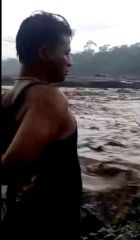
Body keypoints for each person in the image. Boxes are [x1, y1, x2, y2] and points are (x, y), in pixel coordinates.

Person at [0, 11, 82, 239]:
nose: (70, 62)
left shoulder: (8, 97)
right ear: (44, 52)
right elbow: (13, 164)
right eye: (66, 53)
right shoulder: (48, 98)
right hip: (48, 222)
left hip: (20, 216)